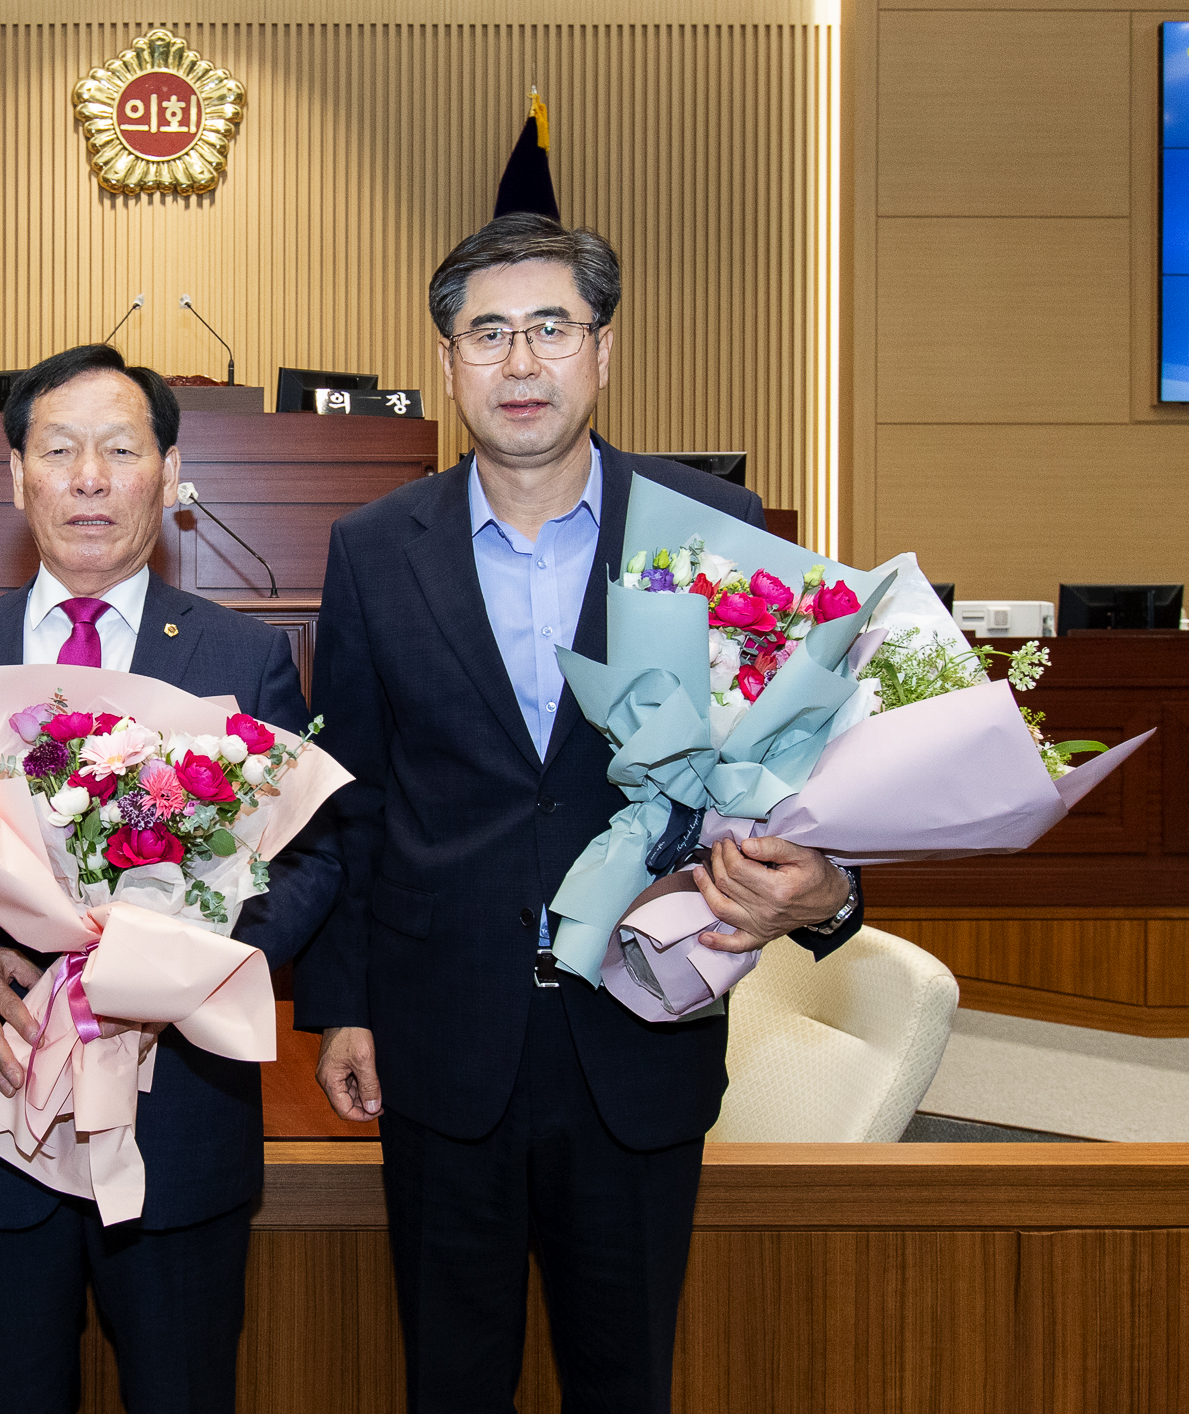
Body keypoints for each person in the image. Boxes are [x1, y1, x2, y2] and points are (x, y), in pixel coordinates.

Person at [294, 214, 866, 1413]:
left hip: (639, 1030)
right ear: (448, 360)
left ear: (602, 350)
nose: (520, 362)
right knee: (452, 1382)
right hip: (443, 1040)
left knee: (625, 1380)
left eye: (551, 328)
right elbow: (353, 797)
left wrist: (830, 894)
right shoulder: (374, 548)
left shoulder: (709, 524)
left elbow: (797, 759)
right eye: (487, 333)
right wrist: (342, 1004)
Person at [0, 344, 342, 1413]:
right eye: (59, 450)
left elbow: (311, 856)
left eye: (121, 451)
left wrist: (193, 965)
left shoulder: (243, 658)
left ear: (168, 476)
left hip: (180, 1128)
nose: (89, 478)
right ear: (16, 475)